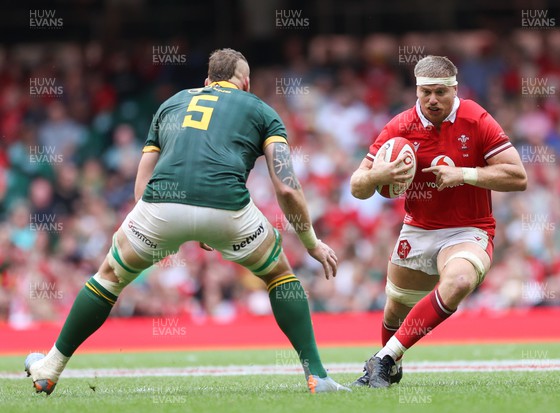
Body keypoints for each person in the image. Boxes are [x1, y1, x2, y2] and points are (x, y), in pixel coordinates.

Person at [25, 48, 350, 394]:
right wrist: (312, 242)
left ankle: (51, 367)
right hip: (228, 209)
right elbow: (286, 187)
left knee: (109, 277)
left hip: (160, 206)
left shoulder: (172, 103)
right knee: (279, 274)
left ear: (207, 81)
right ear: (247, 83)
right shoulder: (261, 110)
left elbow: (140, 186)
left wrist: (169, 231)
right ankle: (318, 376)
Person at [349, 55, 527, 387]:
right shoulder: (400, 126)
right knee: (394, 311)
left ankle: (384, 359)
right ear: (416, 91)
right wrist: (379, 175)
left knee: (458, 282)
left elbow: (518, 176)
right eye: (426, 92)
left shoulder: (476, 119)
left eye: (441, 93)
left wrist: (465, 174)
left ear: (454, 90)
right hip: (418, 228)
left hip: (469, 228)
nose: (433, 100)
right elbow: (357, 187)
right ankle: (391, 365)